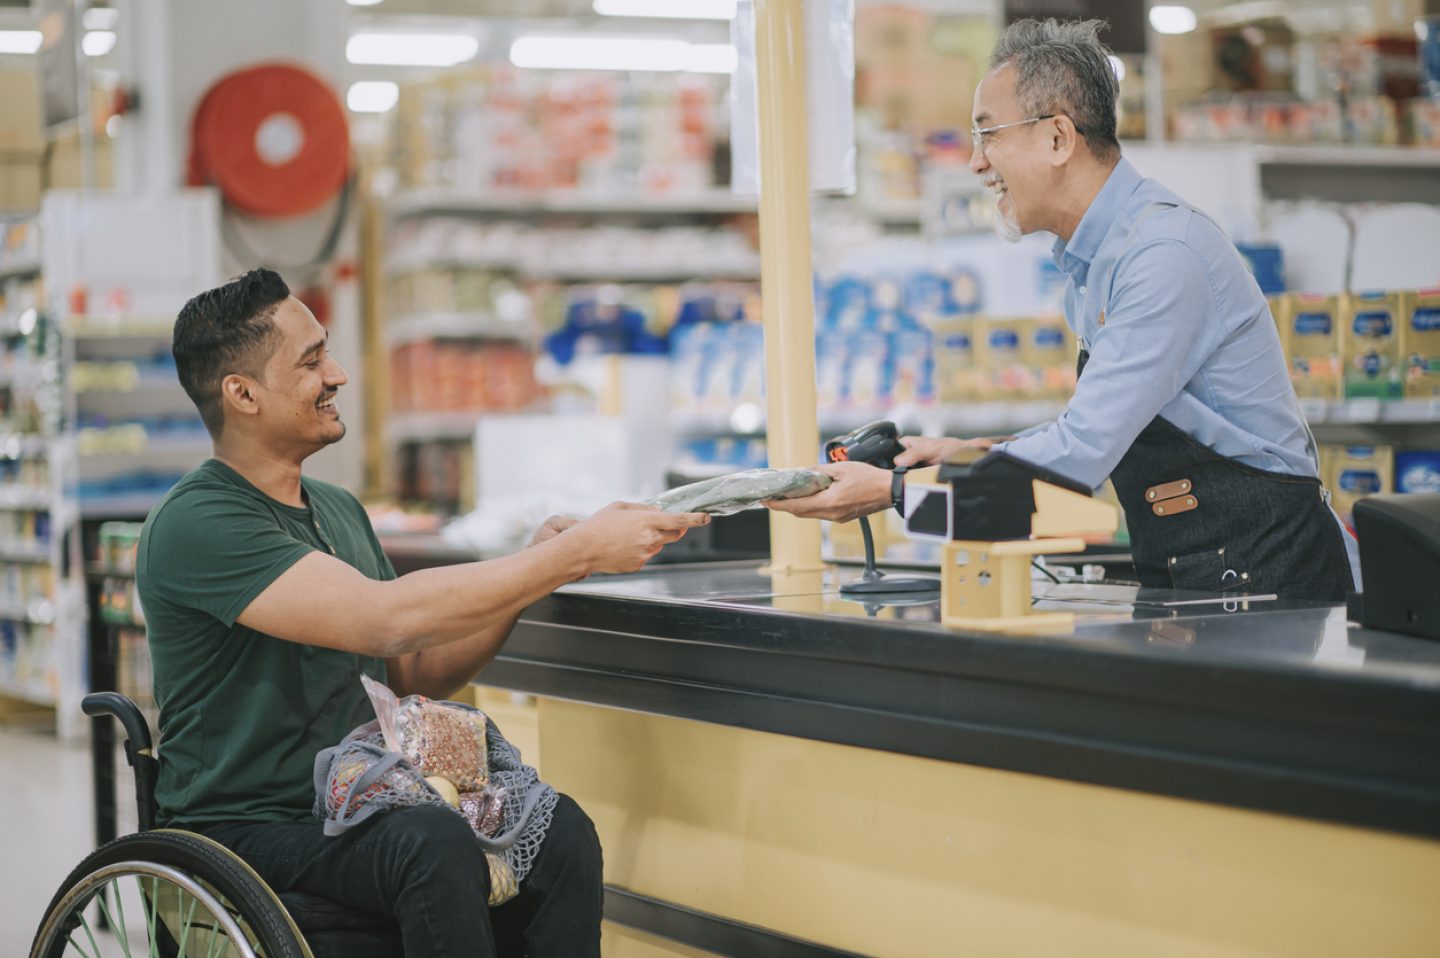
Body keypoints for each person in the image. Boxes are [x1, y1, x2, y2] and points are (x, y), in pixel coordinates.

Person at [136, 268, 709, 957]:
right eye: (312, 359)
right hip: (244, 829)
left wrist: (534, 572)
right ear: (242, 394)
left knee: (560, 833)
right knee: (430, 843)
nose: (338, 373)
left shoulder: (338, 510)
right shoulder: (199, 520)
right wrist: (573, 555)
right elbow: (385, 618)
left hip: (360, 806)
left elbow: (412, 672)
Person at [769, 18, 1357, 602]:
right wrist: (959, 455)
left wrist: (891, 492)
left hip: (1275, 576)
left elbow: (1079, 457)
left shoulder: (1162, 255)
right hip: (1200, 569)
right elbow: (1091, 433)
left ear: (1057, 138)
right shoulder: (1094, 261)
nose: (976, 163)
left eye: (988, 134)